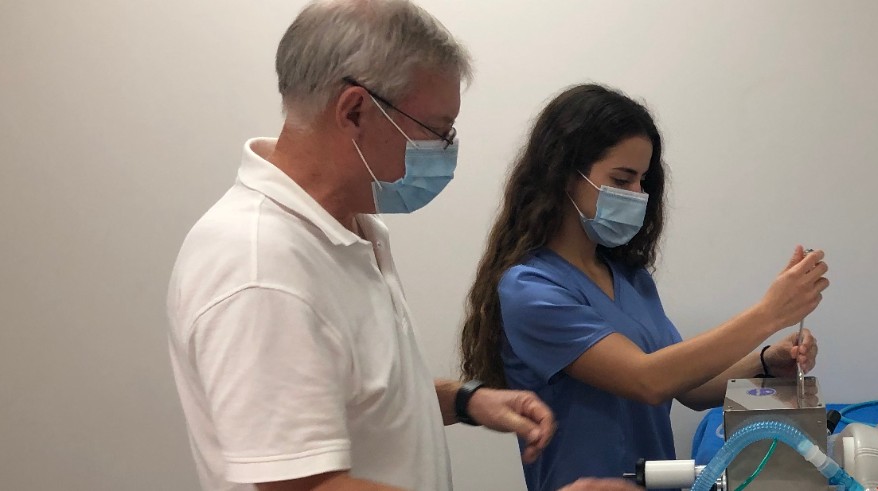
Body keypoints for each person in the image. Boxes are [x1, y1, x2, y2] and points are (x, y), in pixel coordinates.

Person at [167, 2, 636, 490]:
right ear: (354, 110)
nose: (447, 150)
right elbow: (303, 485)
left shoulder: (350, 229)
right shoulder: (261, 265)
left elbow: (352, 398)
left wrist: (465, 400)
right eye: (437, 130)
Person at [460, 84, 827, 490]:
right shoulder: (531, 289)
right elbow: (647, 380)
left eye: (642, 180)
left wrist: (763, 361)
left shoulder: (629, 277)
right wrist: (769, 313)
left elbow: (684, 383)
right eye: (622, 178)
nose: (637, 194)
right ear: (564, 175)